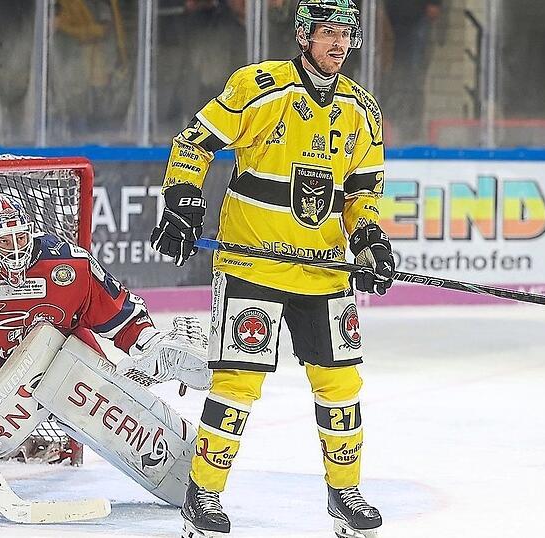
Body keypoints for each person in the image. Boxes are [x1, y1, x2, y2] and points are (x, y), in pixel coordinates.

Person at [150, 1, 395, 536]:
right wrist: (182, 199)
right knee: (236, 384)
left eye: (346, 34)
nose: (338, 43)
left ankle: (345, 492)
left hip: (326, 270)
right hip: (252, 265)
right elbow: (195, 142)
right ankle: (204, 497)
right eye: (328, 32)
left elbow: (362, 192)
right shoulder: (260, 87)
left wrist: (370, 237)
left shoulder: (363, 110)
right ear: (304, 36)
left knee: (341, 382)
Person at [0, 190, 210, 511]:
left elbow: (117, 312)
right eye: (4, 242)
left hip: (57, 347)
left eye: (20, 239)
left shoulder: (70, 265)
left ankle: (170, 452)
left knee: (88, 398)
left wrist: (148, 342)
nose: (14, 251)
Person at [382, 0, 442, 145]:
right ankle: (391, 126)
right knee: (394, 76)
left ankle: (410, 130)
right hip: (389, 16)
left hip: (416, 16)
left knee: (412, 77)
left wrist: (435, 3)